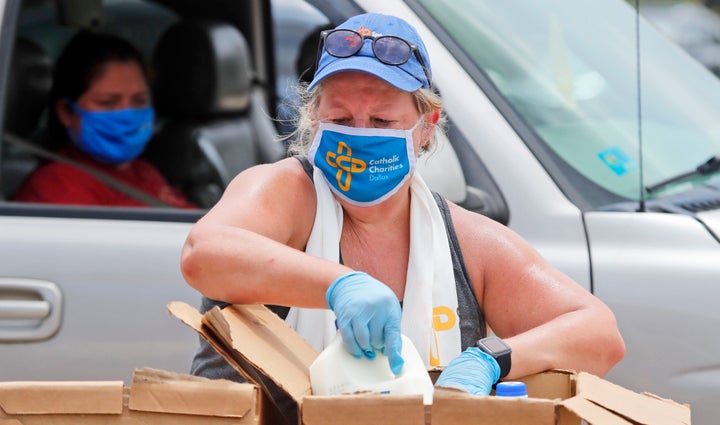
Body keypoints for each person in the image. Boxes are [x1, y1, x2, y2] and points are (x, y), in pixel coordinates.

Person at [181, 13, 625, 396]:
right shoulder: (285, 192)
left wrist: (492, 359)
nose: (360, 134)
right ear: (314, 120)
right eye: (340, 119)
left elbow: (599, 335)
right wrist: (341, 285)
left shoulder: (466, 241)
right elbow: (204, 255)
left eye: (381, 121)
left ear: (426, 127)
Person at [13, 30, 195, 208]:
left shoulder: (143, 171)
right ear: (66, 113)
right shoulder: (58, 183)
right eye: (107, 103)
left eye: (139, 101)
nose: (128, 113)